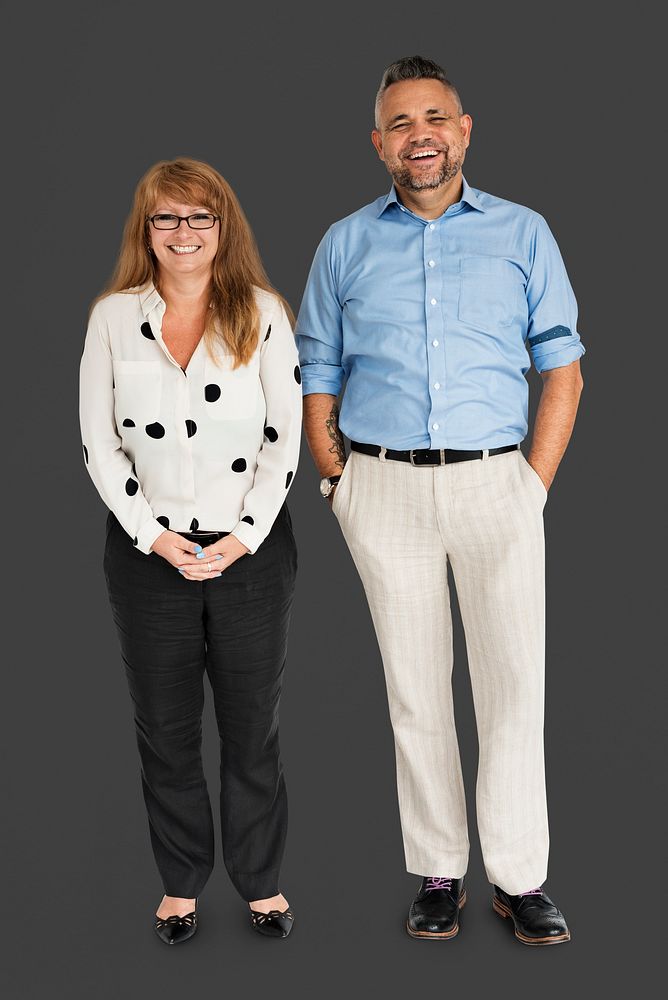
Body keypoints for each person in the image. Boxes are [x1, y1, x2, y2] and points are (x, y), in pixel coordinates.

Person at [296, 56, 584, 946]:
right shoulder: (344, 242)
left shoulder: (524, 232)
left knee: (512, 688)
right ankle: (437, 871)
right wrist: (337, 480)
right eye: (400, 123)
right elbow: (318, 368)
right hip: (380, 487)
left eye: (436, 117)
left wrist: (531, 482)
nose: (419, 135)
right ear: (378, 144)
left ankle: (521, 879)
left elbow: (562, 363)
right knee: (415, 689)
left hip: (498, 481)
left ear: (464, 129)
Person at [79, 157, 301, 944]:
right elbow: (99, 444)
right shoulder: (113, 317)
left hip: (251, 554)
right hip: (149, 556)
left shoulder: (264, 311)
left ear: (222, 228)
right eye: (167, 218)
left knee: (251, 728)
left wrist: (243, 537)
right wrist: (155, 536)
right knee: (165, 728)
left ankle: (261, 881)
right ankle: (180, 884)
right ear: (146, 229)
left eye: (199, 217)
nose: (183, 232)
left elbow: (284, 438)